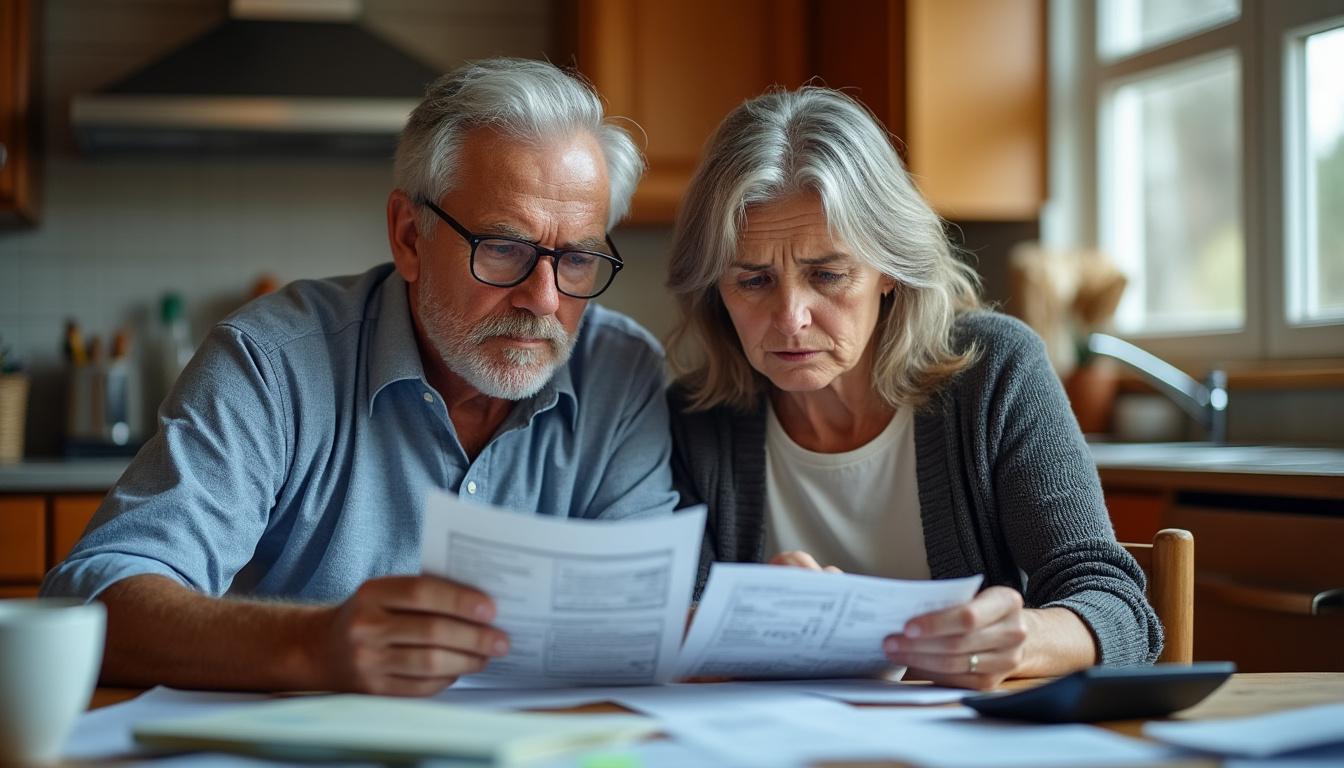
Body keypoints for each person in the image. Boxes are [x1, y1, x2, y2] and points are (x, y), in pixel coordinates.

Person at [42, 58, 679, 696]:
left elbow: (643, 621)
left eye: (577, 259)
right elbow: (94, 599)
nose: (543, 300)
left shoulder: (621, 376)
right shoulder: (272, 363)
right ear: (409, 236)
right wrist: (307, 645)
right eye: (504, 248)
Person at [666, 87, 1160, 691]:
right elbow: (671, 634)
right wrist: (754, 620)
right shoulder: (695, 418)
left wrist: (1021, 640)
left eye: (828, 274)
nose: (791, 315)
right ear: (716, 286)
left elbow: (1116, 603)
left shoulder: (995, 373)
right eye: (753, 280)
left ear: (890, 272)